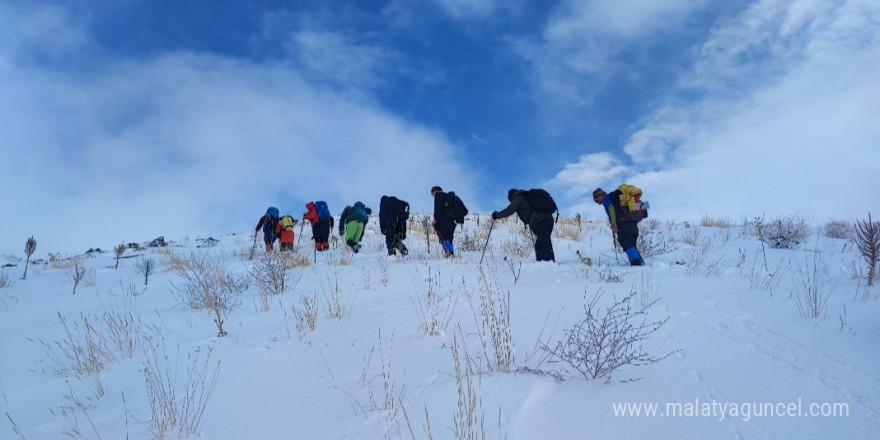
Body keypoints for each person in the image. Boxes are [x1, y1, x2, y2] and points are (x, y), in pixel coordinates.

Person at [491, 189, 556, 262]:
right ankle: (544, 261)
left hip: (539, 221)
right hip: (548, 219)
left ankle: (547, 262)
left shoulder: (518, 198)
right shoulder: (527, 196)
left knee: (543, 241)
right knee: (543, 241)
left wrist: (497, 215)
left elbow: (509, 210)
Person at [593, 186, 646, 266]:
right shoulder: (619, 198)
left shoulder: (607, 199)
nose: (598, 203)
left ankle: (636, 263)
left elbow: (611, 210)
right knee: (631, 244)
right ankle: (640, 262)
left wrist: (614, 225)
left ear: (600, 195)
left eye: (596, 200)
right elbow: (640, 206)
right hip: (633, 223)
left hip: (623, 224)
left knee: (626, 243)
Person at [431, 186, 467, 257]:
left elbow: (437, 209)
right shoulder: (448, 197)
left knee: (443, 237)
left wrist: (436, 220)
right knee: (449, 237)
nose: (432, 195)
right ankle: (451, 253)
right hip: (452, 221)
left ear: (435, 191)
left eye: (432, 193)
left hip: (443, 220)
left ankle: (449, 253)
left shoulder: (438, 196)